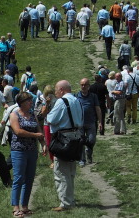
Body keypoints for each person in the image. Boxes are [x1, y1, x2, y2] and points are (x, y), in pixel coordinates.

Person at [47, 80, 83, 212]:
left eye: (56, 90)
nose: (55, 92)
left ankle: (65, 202)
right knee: (71, 171)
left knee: (61, 172)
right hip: (76, 136)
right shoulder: (77, 100)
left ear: (61, 90)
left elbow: (51, 119)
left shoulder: (61, 102)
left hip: (63, 139)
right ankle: (70, 199)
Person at [8, 92, 44, 217]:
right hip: (19, 150)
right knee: (18, 178)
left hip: (32, 150)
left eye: (31, 100)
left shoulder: (33, 115)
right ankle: (15, 207)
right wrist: (35, 136)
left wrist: (43, 144)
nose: (31, 103)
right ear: (22, 103)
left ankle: (25, 206)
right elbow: (18, 131)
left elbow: (39, 130)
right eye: (28, 101)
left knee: (29, 178)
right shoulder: (14, 114)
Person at [75, 78, 101, 166]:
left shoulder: (93, 96)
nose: (83, 86)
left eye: (85, 84)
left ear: (88, 86)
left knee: (91, 140)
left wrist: (100, 122)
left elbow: (98, 109)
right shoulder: (76, 96)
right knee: (80, 142)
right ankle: (82, 160)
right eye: (82, 85)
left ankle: (89, 154)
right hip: (80, 123)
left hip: (91, 122)